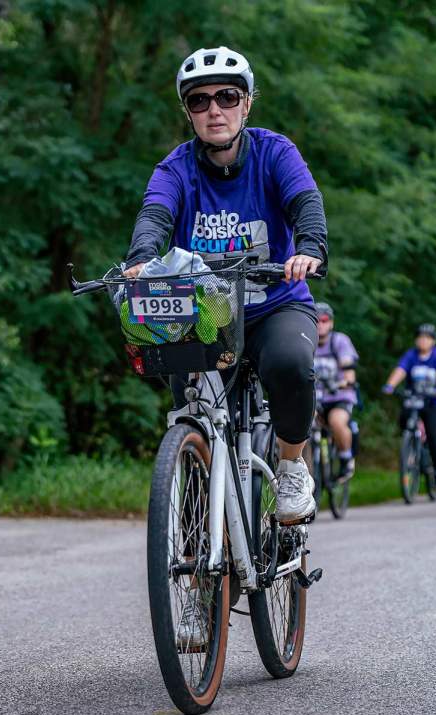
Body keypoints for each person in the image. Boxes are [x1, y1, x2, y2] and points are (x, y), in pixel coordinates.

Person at [124, 45, 328, 526]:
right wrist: (141, 260)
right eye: (199, 100)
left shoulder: (275, 152)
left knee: (291, 364)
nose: (214, 109)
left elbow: (305, 202)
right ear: (188, 112)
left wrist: (310, 248)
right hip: (205, 317)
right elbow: (155, 215)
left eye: (227, 97)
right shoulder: (175, 168)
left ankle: (291, 467)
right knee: (193, 415)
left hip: (275, 306)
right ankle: (200, 539)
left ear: (247, 103)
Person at [382, 323, 436, 489]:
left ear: (433, 341)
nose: (423, 341)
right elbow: (400, 370)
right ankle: (412, 447)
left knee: (433, 432)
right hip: (415, 400)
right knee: (403, 419)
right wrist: (390, 385)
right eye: (420, 337)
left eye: (427, 338)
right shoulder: (411, 355)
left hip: (435, 401)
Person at [311, 302, 358, 482]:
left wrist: (345, 381)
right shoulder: (307, 341)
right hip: (315, 397)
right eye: (316, 320)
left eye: (324, 320)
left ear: (331, 323)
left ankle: (346, 458)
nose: (320, 324)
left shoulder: (340, 341)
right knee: (302, 425)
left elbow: (348, 368)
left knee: (336, 421)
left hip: (339, 396)